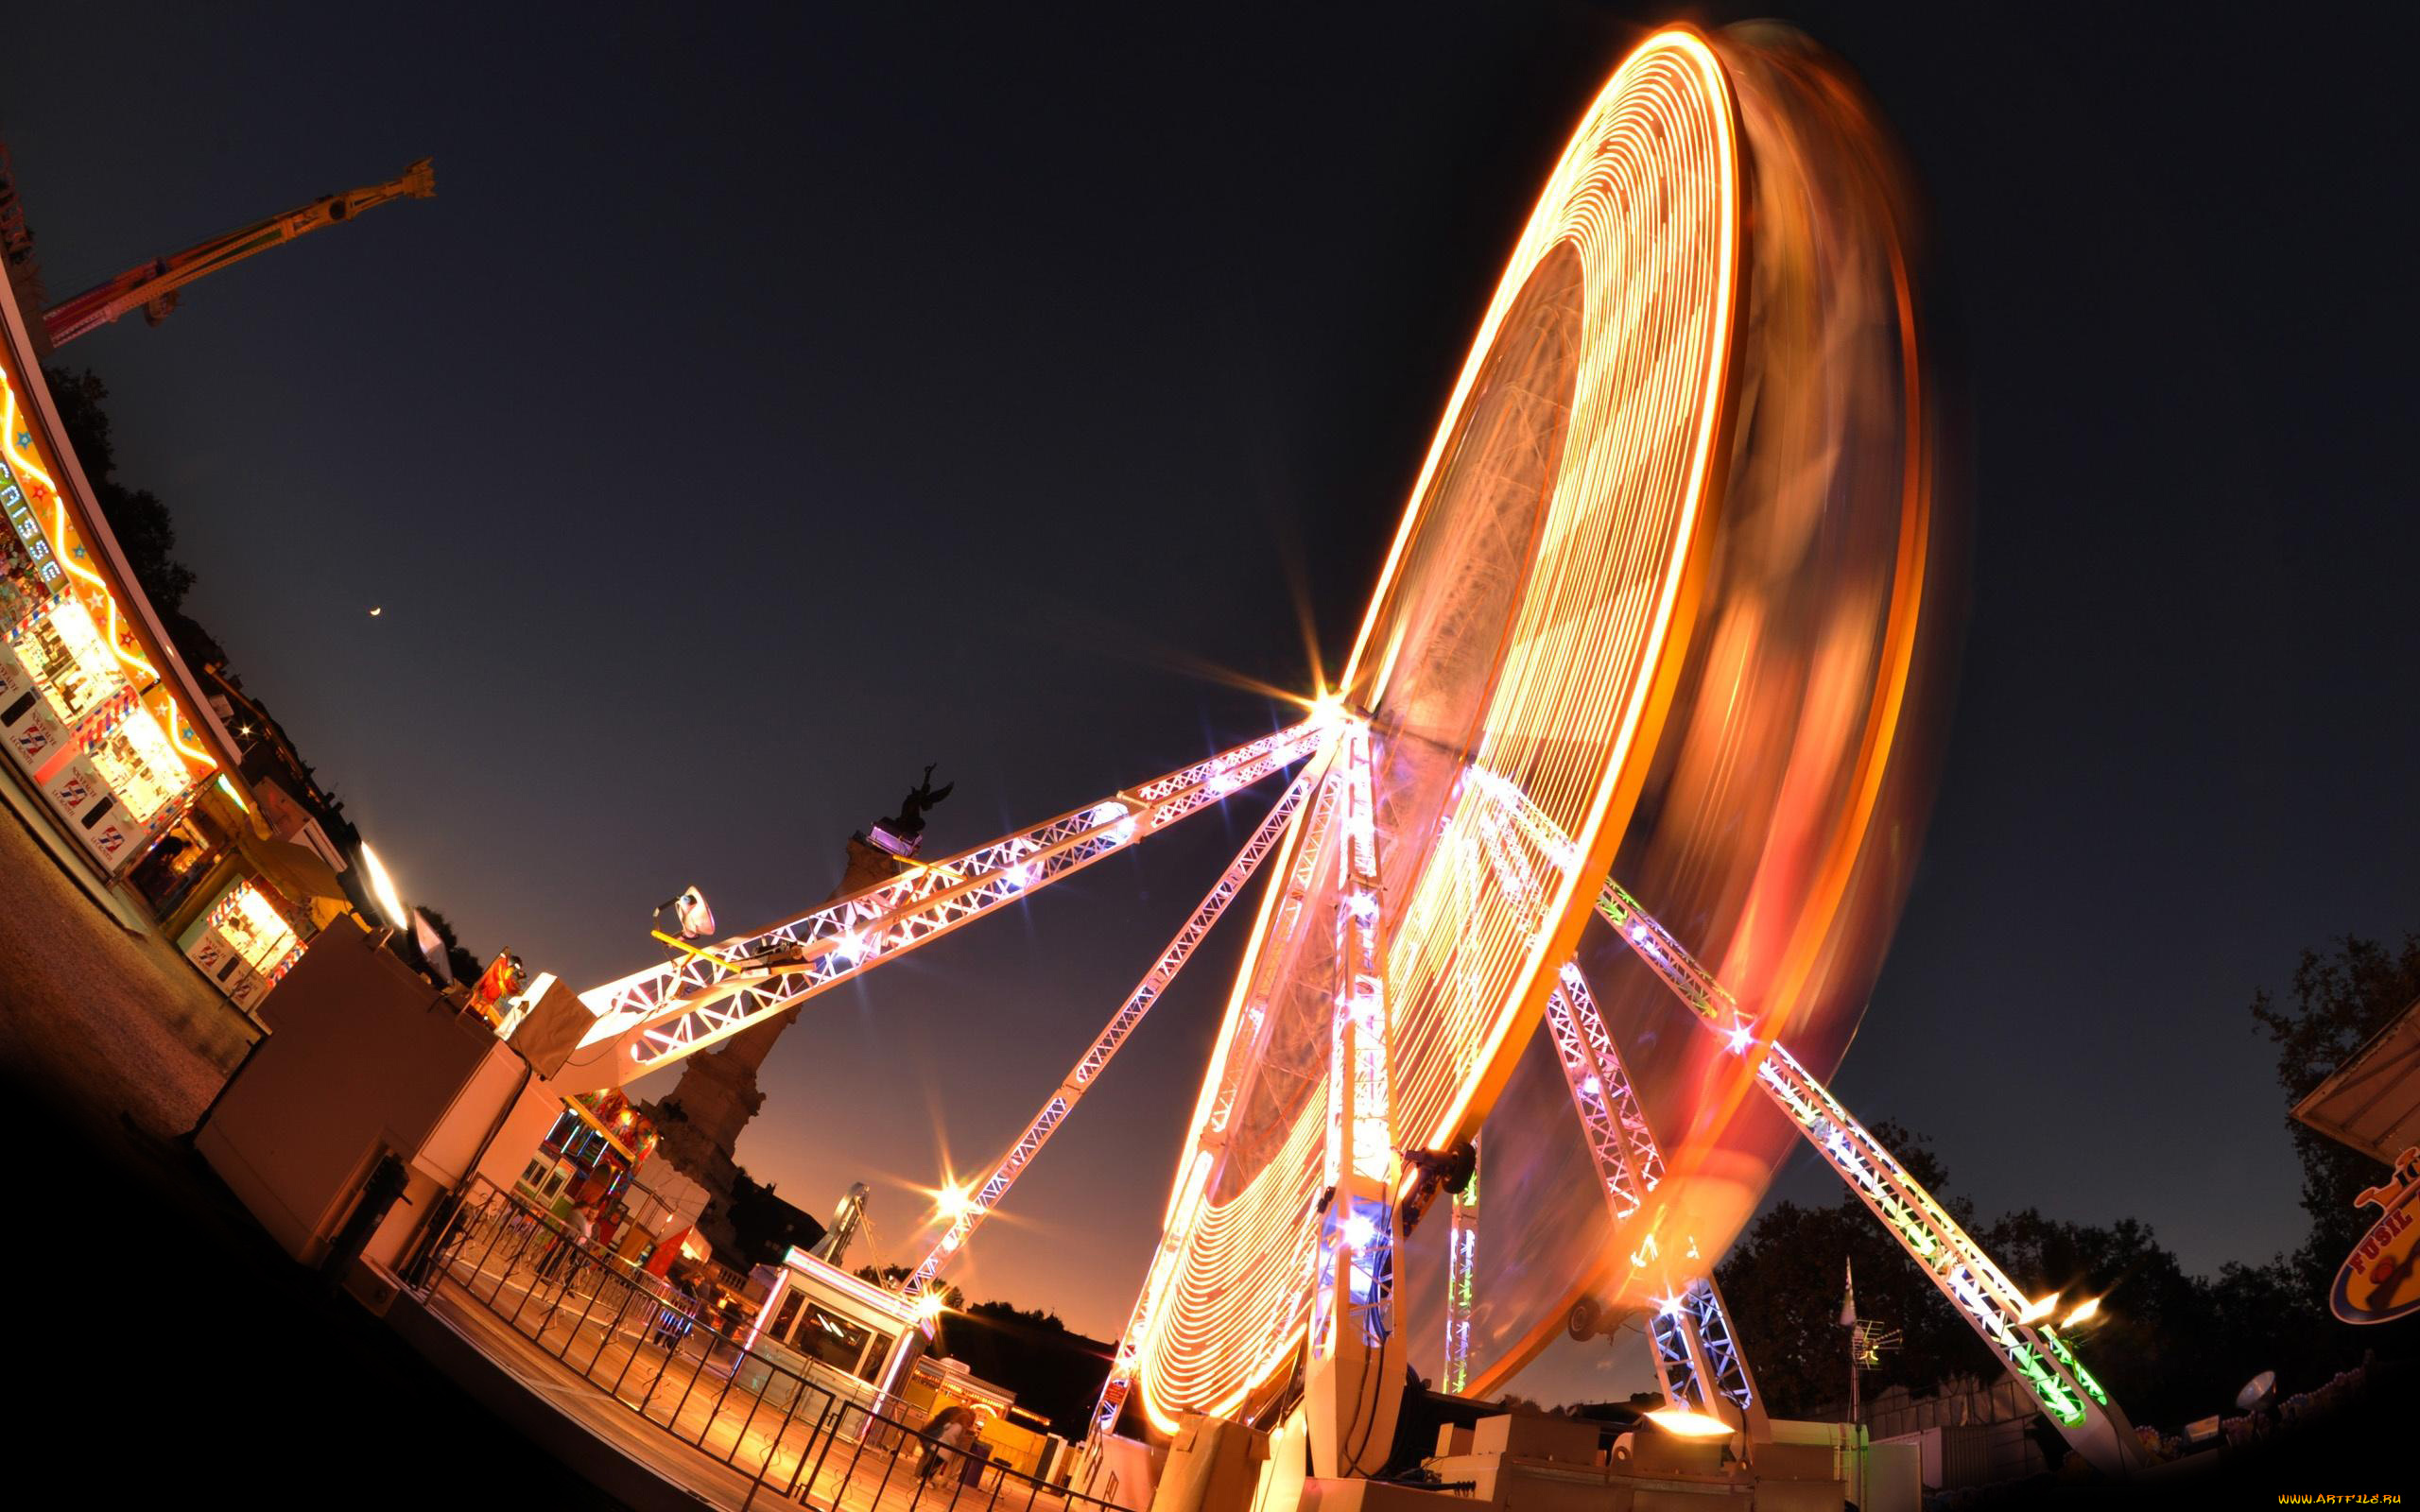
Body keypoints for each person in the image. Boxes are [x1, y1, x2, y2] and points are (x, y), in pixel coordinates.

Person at [918, 1404, 977, 1485]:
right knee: (934, 1464)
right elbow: (950, 1435)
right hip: (944, 1449)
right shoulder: (958, 1426)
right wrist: (954, 1444)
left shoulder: (952, 1423)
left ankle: (923, 1477)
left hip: (939, 1445)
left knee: (931, 1462)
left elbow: (946, 1430)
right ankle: (924, 1478)